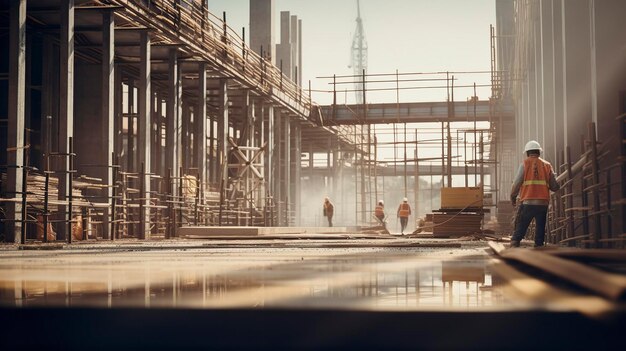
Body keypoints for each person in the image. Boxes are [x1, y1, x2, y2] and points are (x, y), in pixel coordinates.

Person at [510, 140, 559, 247]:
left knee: (522, 224)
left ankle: (515, 241)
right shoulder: (547, 165)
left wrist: (513, 196)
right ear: (539, 152)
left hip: (528, 201)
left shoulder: (524, 164)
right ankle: (539, 245)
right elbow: (554, 187)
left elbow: (517, 183)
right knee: (540, 226)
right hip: (543, 203)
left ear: (527, 153)